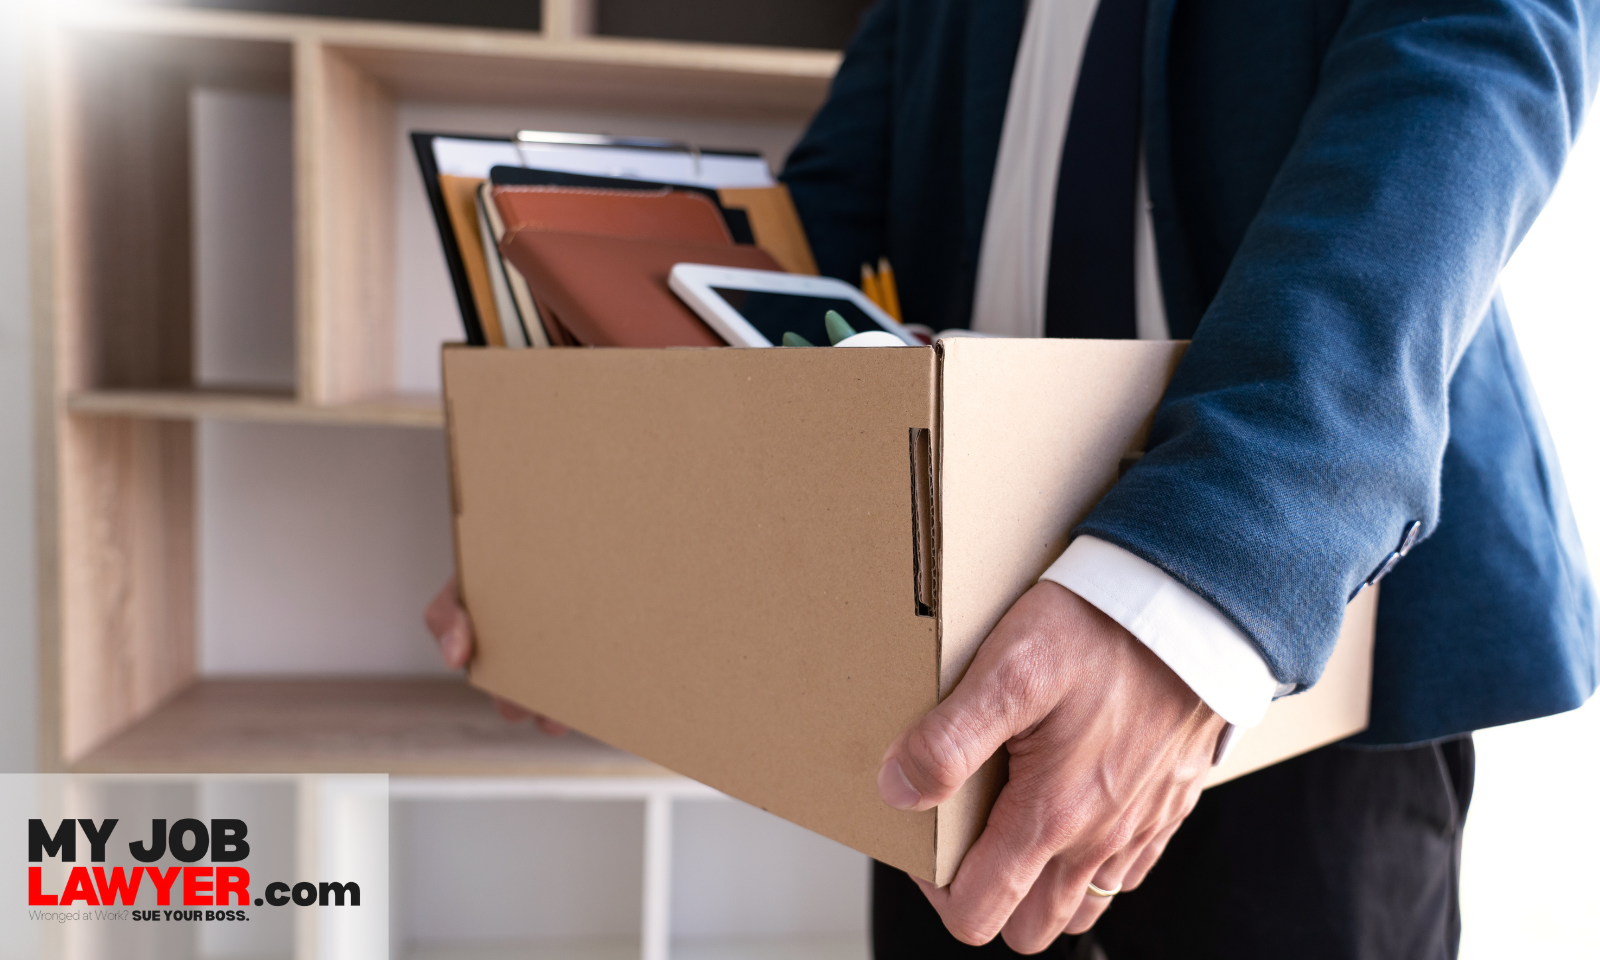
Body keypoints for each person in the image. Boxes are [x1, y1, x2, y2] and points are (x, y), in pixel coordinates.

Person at [430, 0, 1599, 955]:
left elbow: (1469, 62)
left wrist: (1203, 584)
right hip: (938, 638)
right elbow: (817, 230)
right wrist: (605, 519)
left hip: (1292, 635)